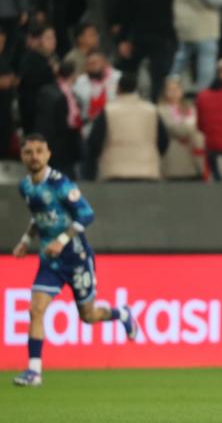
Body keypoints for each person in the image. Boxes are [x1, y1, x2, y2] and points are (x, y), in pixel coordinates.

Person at [11, 134, 138, 387]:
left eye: (39, 151)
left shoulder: (61, 184)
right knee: (35, 309)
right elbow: (39, 215)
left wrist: (61, 240)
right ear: (22, 157)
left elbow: (86, 215)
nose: (34, 157)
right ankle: (34, 371)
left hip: (76, 258)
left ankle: (121, 313)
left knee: (88, 316)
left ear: (48, 154)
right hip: (50, 262)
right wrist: (26, 239)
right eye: (28, 152)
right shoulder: (25, 187)